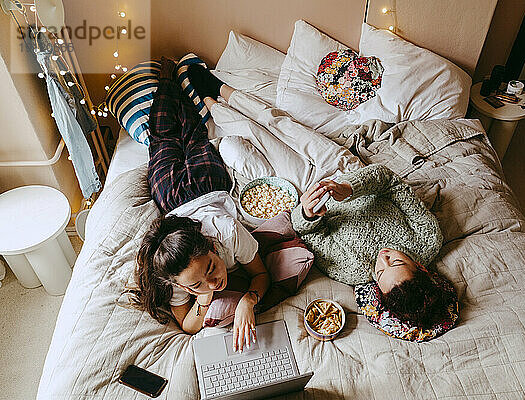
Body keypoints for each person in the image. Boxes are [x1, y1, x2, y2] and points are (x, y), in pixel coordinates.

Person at [129, 58, 270, 352]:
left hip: (180, 192)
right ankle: (168, 81)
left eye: (211, 267)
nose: (214, 282)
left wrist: (249, 300)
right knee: (166, 138)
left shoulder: (228, 233)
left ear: (213, 248)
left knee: (189, 134)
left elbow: (261, 273)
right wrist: (203, 300)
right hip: (207, 186)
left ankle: (176, 82)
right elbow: (187, 325)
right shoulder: (174, 275)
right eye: (196, 284)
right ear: (182, 286)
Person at [292, 164, 447, 328]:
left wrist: (307, 213)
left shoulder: (352, 270)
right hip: (350, 174)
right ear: (420, 267)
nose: (383, 258)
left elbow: (308, 234)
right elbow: (389, 180)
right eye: (396, 262)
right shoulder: (428, 238)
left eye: (379, 272)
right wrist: (349, 188)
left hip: (308, 197)